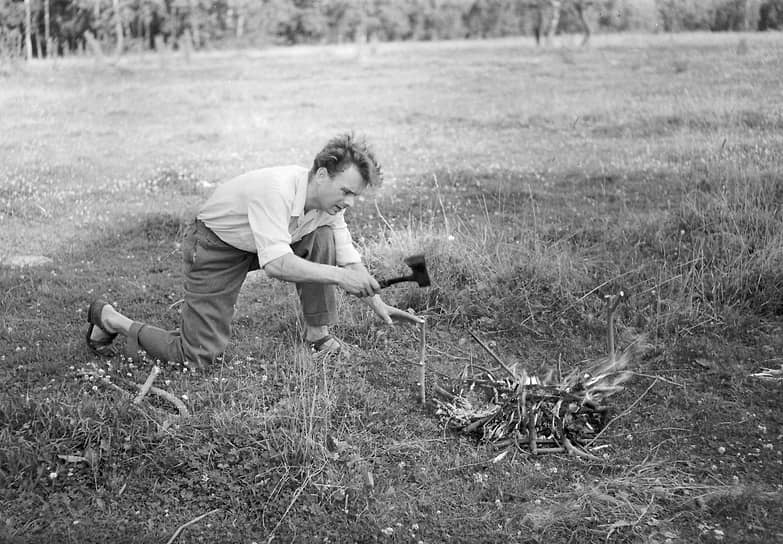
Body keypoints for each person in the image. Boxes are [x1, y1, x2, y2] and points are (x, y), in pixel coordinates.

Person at [85, 133, 423, 368]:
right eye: (346, 192)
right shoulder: (276, 190)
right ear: (322, 175)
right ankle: (111, 318)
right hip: (215, 246)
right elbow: (277, 264)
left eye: (355, 197)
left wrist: (378, 302)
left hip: (260, 242)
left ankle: (317, 336)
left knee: (323, 239)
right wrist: (339, 278)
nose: (349, 203)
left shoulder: (328, 205)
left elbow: (348, 257)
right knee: (196, 357)